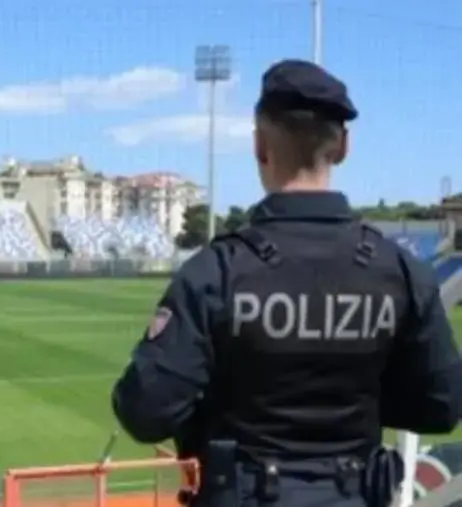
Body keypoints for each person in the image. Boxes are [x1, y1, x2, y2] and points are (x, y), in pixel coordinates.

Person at [111, 59, 462, 507]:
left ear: (260, 145)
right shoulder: (401, 270)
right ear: (343, 147)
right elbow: (441, 405)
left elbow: (144, 411)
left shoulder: (215, 271)